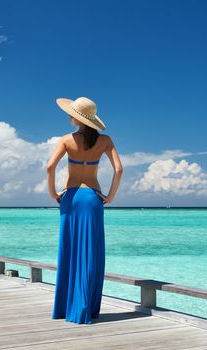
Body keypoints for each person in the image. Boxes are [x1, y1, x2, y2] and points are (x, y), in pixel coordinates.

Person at [47, 96, 123, 324]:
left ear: (77, 118)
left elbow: (50, 167)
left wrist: (53, 194)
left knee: (69, 252)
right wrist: (110, 196)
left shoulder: (66, 140)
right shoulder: (105, 141)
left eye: (71, 113)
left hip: (70, 197)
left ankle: (64, 308)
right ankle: (84, 308)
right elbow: (119, 170)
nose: (68, 116)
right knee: (90, 253)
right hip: (92, 198)